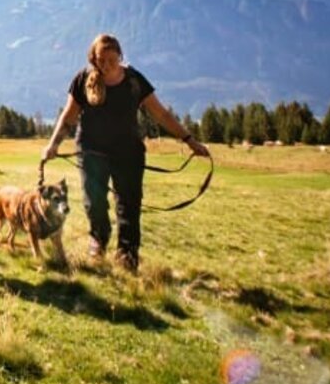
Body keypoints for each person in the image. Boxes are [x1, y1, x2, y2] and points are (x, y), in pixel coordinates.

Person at [41, 33, 209, 273]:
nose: (108, 65)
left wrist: (190, 140)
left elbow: (161, 114)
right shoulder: (82, 80)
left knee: (129, 205)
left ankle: (127, 254)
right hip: (92, 153)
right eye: (102, 60)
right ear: (94, 59)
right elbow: (68, 117)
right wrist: (53, 144)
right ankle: (99, 239)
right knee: (94, 202)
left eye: (112, 59)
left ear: (120, 56)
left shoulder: (133, 81)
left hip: (128, 153)